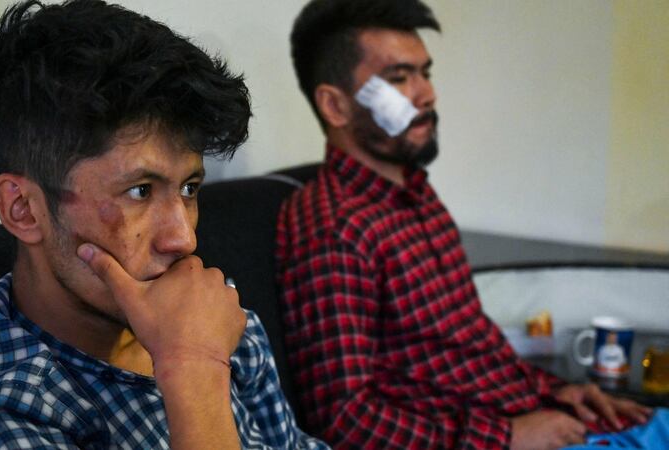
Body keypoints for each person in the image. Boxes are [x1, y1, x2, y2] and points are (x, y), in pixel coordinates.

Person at [0, 1, 326, 448]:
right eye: (141, 191)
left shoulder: (217, 319)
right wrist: (194, 367)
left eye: (189, 188)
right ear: (24, 210)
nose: (183, 239)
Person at [275, 0, 652, 449]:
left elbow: (469, 350)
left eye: (425, 73)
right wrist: (507, 436)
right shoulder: (335, 231)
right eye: (398, 78)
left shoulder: (416, 195)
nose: (426, 94)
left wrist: (554, 393)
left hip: (541, 415)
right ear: (335, 106)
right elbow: (345, 420)